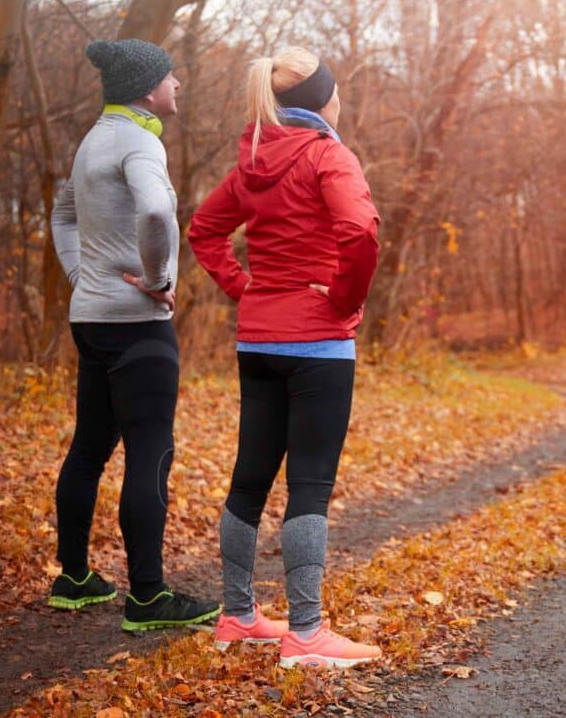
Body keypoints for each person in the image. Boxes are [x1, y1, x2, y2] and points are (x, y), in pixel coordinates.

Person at [188, 47, 382, 667]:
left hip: (259, 341)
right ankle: (305, 633)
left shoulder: (253, 159)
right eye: (337, 89)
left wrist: (248, 291)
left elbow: (204, 229)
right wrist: (345, 302)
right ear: (323, 100)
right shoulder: (328, 154)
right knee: (310, 485)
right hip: (318, 344)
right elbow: (361, 231)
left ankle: (239, 616)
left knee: (250, 479)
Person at [49, 38, 220, 631]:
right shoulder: (141, 143)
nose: (177, 86)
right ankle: (148, 596)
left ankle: (74, 578)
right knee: (149, 453)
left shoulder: (93, 140)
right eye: (171, 77)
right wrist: (158, 278)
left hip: (91, 319)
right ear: (148, 88)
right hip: (137, 325)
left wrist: (81, 274)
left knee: (90, 447)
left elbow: (62, 214)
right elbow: (155, 213)